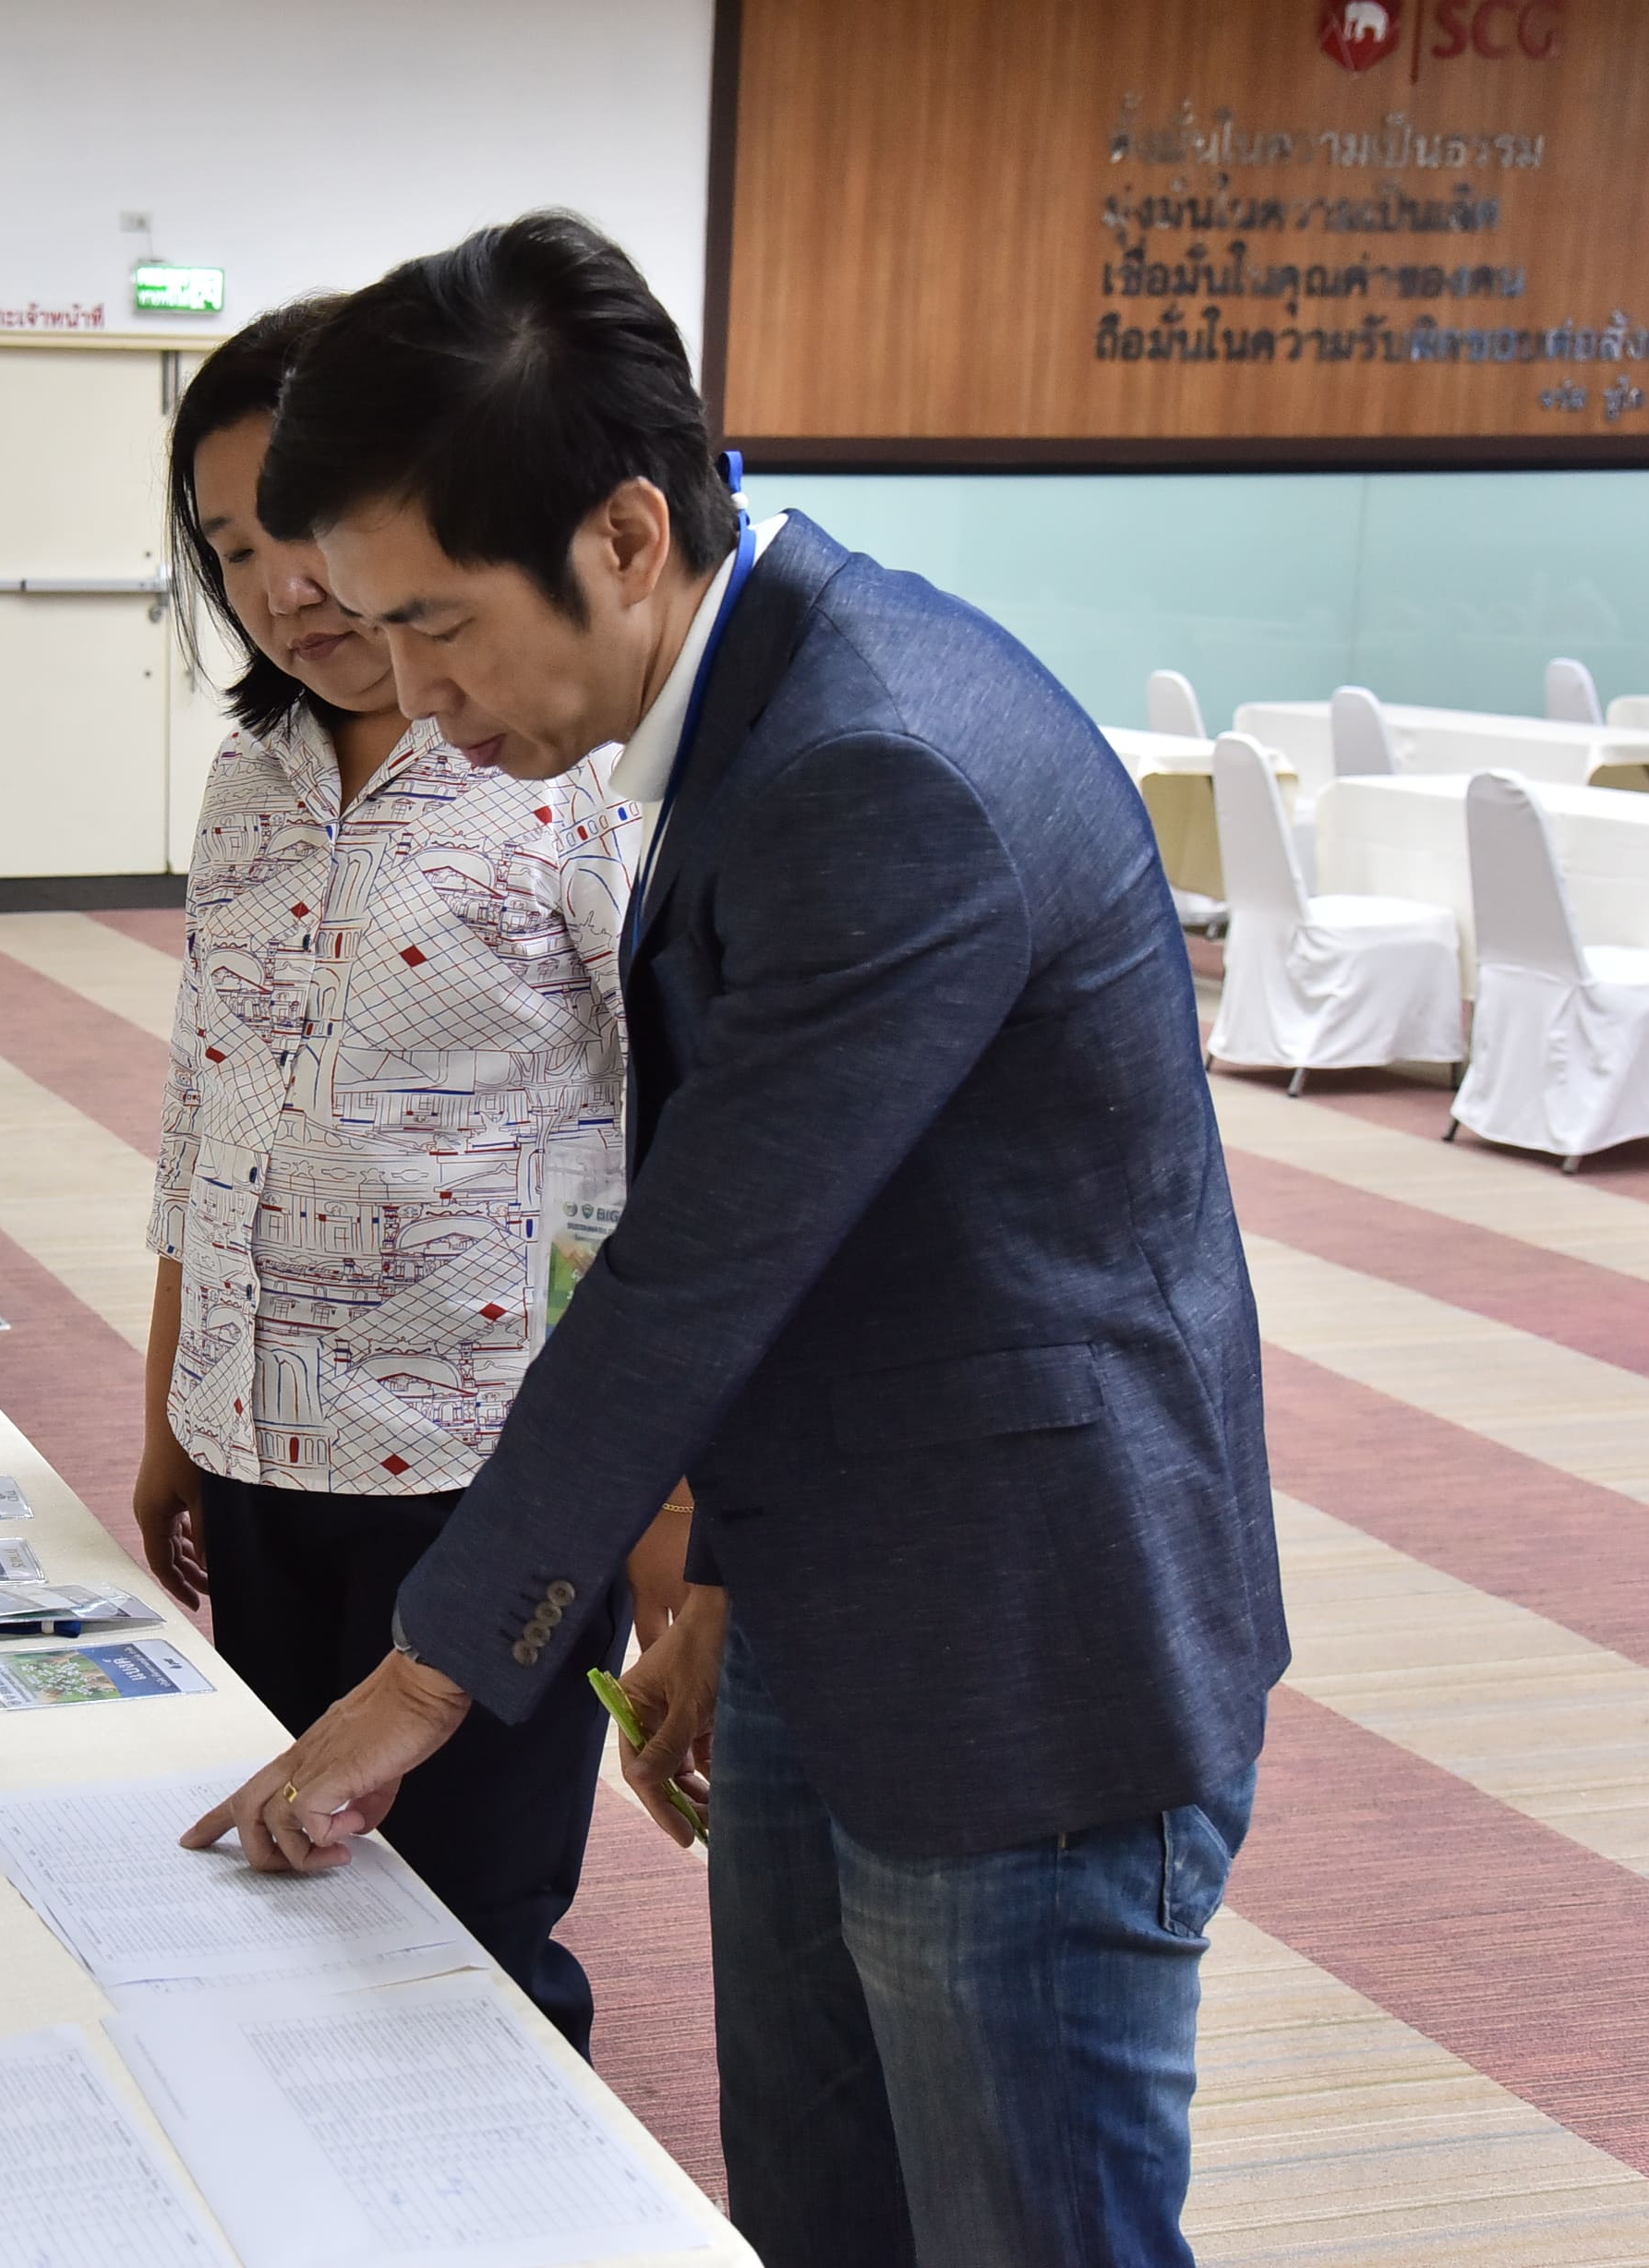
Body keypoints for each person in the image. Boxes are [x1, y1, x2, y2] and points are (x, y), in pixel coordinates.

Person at [183, 214, 1286, 2268]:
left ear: (621, 536)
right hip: (829, 1595)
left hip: (1018, 1657)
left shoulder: (874, 765)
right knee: (823, 2210)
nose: (417, 695)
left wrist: (427, 1674)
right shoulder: (751, 701)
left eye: (439, 626)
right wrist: (719, 1578)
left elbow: (701, 1261)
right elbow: (795, 1236)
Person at [139, 297, 666, 2057]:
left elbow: (670, 1144)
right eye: (230, 549)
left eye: (301, 529)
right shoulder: (252, 772)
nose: (284, 587)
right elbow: (204, 1108)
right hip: (256, 1434)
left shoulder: (562, 771)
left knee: (472, 1923)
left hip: (483, 1457)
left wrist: (663, 1517)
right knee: (283, 1871)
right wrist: (171, 1408)